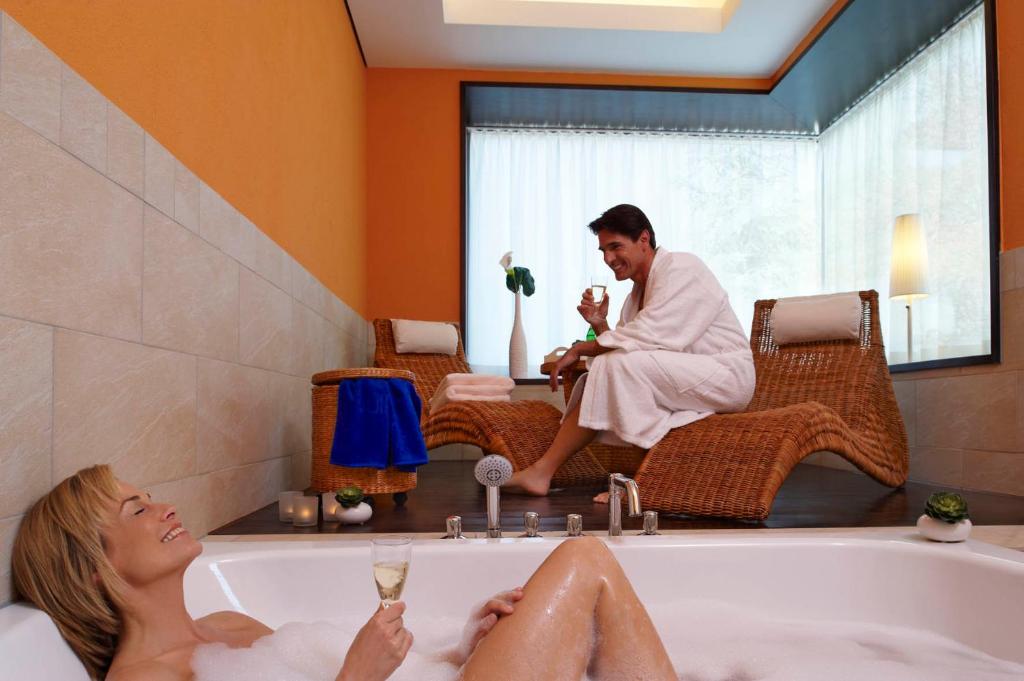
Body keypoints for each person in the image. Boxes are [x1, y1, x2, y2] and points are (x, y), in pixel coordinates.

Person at [11, 464, 678, 681]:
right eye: (137, 507)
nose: (165, 506)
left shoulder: (224, 625)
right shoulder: (142, 678)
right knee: (585, 559)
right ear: (92, 567)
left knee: (586, 566)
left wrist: (457, 646)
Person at [505, 204, 755, 499]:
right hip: (689, 375)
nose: (609, 258)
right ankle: (542, 471)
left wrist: (581, 348)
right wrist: (599, 325)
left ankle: (641, 483)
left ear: (644, 239)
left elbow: (648, 338)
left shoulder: (683, 269)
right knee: (602, 375)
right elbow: (633, 345)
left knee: (616, 367)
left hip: (726, 376)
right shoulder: (634, 297)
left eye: (615, 247)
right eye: (603, 251)